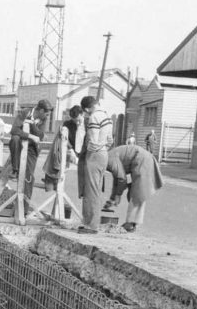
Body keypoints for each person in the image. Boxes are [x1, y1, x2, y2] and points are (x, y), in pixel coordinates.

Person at [104, 143, 164, 232]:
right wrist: (113, 198)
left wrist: (118, 195)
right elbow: (117, 178)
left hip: (142, 160)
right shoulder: (109, 158)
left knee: (138, 193)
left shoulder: (109, 160)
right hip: (141, 159)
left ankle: (131, 224)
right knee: (136, 193)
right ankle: (132, 223)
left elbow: (121, 178)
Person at [77, 95, 113, 235]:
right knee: (96, 190)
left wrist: (89, 153)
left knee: (90, 191)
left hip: (94, 155)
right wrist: (103, 148)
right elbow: (110, 140)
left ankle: (91, 225)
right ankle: (92, 223)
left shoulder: (94, 118)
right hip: (104, 154)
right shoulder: (107, 117)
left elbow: (92, 141)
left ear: (86, 109)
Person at [8, 100, 51, 213]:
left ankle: (23, 210)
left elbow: (40, 135)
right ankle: (15, 169)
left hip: (32, 148)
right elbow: (14, 130)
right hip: (20, 143)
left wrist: (31, 125)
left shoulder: (43, 119)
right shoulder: (24, 113)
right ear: (41, 110)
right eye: (46, 114)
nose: (47, 116)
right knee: (15, 139)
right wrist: (30, 135)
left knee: (29, 177)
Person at [42, 113, 79, 219]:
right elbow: (61, 149)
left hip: (65, 159)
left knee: (59, 188)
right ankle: (57, 215)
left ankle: (56, 213)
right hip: (59, 163)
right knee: (58, 188)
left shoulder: (75, 129)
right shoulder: (65, 130)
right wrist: (71, 151)